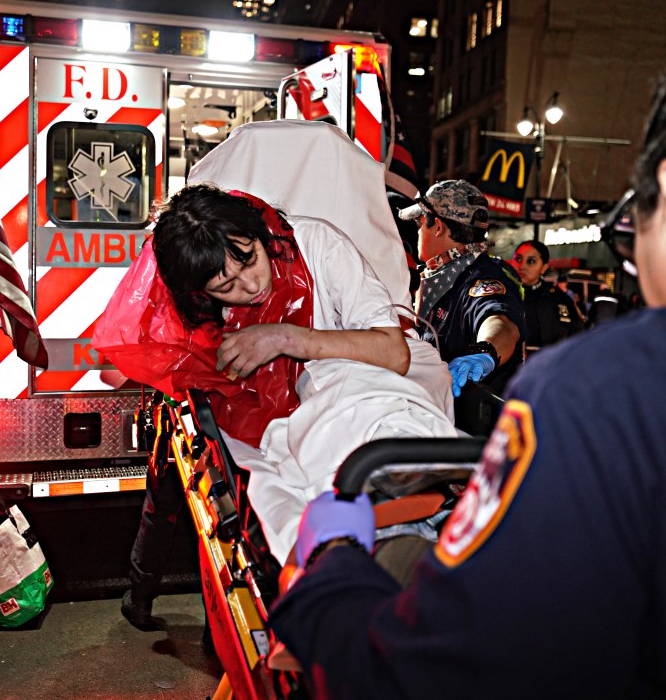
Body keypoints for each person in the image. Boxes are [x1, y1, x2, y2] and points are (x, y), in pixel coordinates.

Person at [268, 27, 666, 699]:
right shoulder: (431, 280)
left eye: (630, 238)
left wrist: (333, 570)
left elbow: (432, 673)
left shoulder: (620, 390)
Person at [108, 184, 456, 629]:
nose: (251, 286)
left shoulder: (317, 246)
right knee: (290, 461)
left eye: (250, 259)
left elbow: (392, 353)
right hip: (305, 423)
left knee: (358, 411)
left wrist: (286, 337)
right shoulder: (197, 315)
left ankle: (392, 523)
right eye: (226, 287)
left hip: (367, 388)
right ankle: (384, 536)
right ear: (201, 294)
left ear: (259, 234)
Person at [398, 180, 524, 433]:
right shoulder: (434, 276)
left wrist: (483, 352)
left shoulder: (482, 279)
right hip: (428, 421)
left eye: (420, 222)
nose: (417, 231)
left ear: (438, 227)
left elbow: (500, 323)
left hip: (469, 436)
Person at [510, 239, 584, 352]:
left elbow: (577, 341)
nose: (522, 266)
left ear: (544, 267)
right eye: (518, 259)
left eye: (531, 261)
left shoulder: (560, 300)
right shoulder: (498, 296)